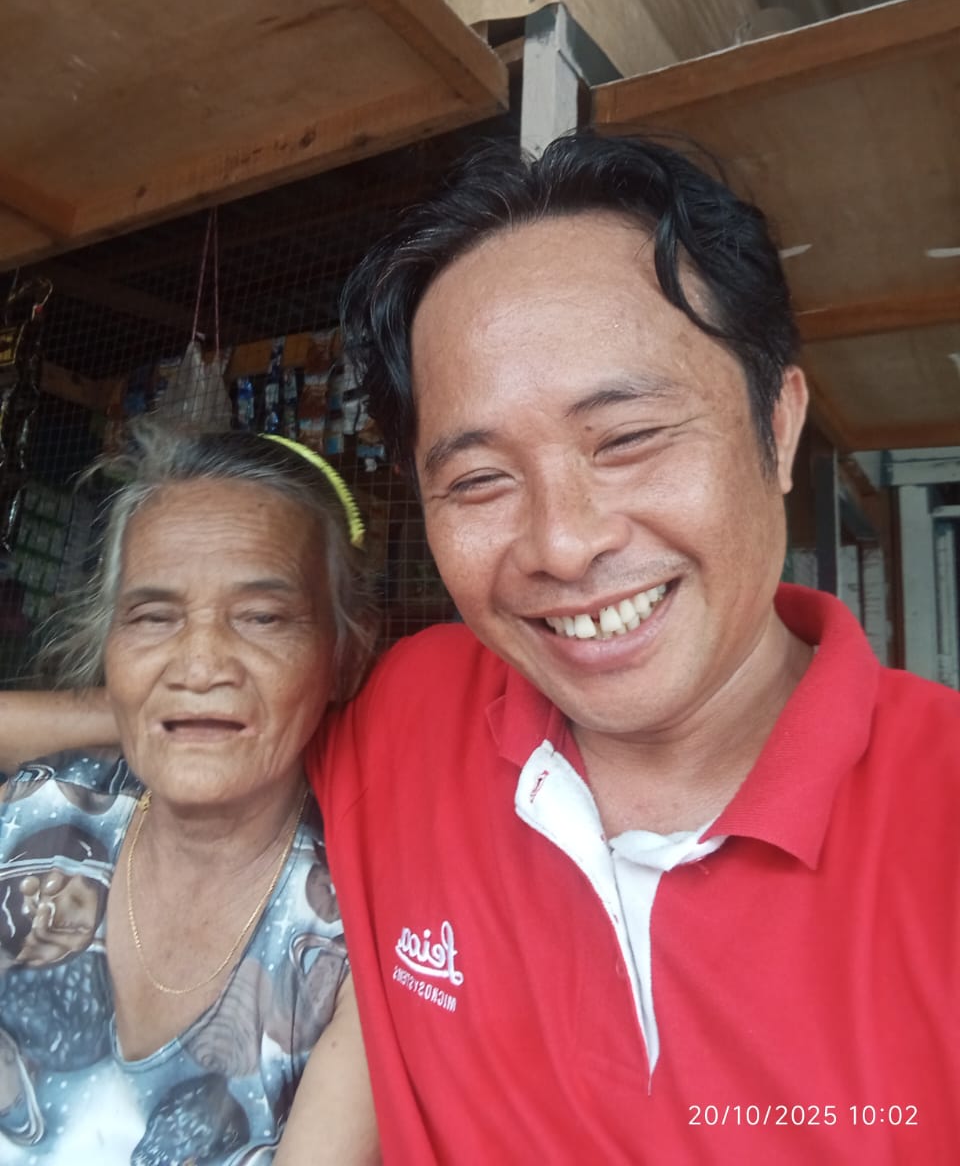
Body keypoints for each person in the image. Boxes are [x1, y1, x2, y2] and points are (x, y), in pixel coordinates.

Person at [4, 134, 960, 1163]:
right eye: (478, 479)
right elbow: (228, 706)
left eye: (628, 437)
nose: (563, 542)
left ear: (779, 425)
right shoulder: (417, 711)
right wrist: (139, 703)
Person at [0, 425, 380, 1164]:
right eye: (153, 618)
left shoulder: (352, 942)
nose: (201, 664)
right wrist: (138, 708)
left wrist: (164, 708)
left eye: (262, 618)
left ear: (347, 653)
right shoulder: (34, 820)